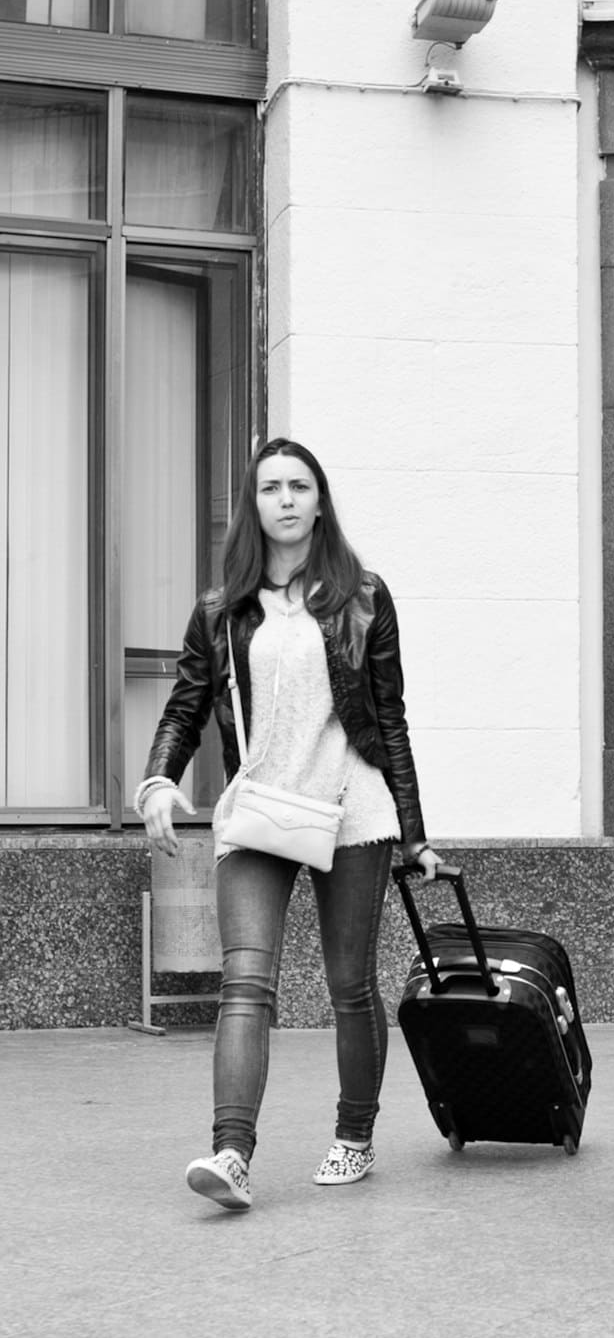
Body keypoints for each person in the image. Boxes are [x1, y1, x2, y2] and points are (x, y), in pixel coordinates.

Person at [136, 437, 444, 1212]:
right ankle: (231, 1154)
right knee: (245, 983)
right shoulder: (222, 609)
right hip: (261, 810)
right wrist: (159, 780)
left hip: (353, 809)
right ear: (254, 503)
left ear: (319, 502)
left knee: (349, 986)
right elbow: (186, 704)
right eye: (271, 487)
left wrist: (414, 832)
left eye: (299, 486)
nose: (285, 499)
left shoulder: (363, 596)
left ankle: (354, 1135)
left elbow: (390, 718)